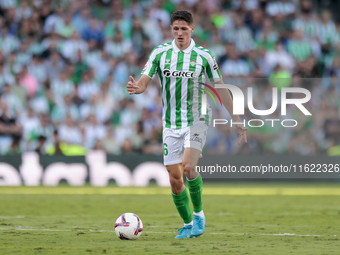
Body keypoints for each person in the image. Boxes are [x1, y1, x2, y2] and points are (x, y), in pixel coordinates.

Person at [127, 10, 247, 239]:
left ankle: (200, 214)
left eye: (184, 28)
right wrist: (137, 88)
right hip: (171, 124)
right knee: (174, 179)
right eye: (175, 29)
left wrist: (238, 121)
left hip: (197, 119)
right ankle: (188, 222)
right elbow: (144, 81)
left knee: (189, 167)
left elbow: (221, 89)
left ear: (192, 29)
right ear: (171, 30)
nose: (179, 33)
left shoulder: (204, 56)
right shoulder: (160, 53)